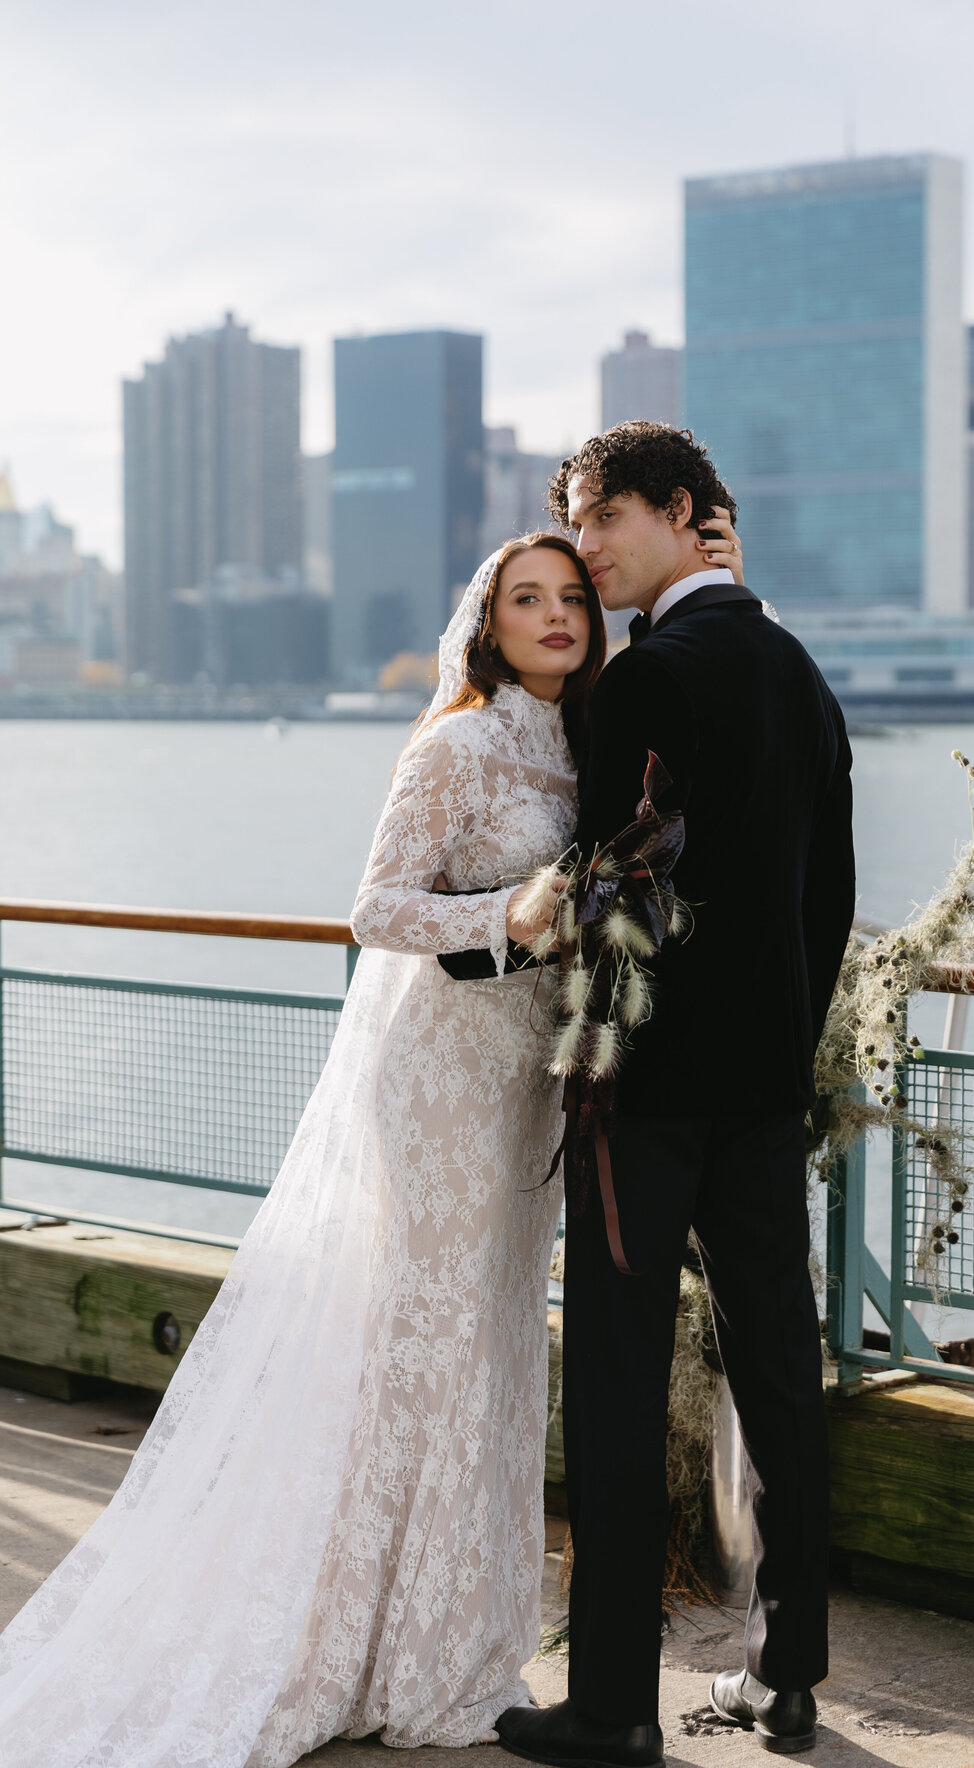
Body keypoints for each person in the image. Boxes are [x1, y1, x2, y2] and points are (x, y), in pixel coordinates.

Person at [0, 533, 653, 1768]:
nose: (559, 616)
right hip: (439, 1081)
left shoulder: (580, 746)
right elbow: (375, 908)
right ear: (489, 625)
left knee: (490, 1344)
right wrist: (505, 916)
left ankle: (448, 1635)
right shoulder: (457, 742)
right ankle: (357, 1642)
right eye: (530, 600)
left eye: (573, 598)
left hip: (524, 1084)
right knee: (420, 1343)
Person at [495, 424, 856, 1768]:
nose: (586, 549)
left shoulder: (651, 680)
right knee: (778, 1377)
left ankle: (609, 1713)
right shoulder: (803, 675)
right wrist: (780, 1047)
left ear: (683, 513)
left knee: (619, 1386)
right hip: (764, 1096)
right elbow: (829, 903)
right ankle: (788, 1679)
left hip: (643, 1104)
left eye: (601, 519)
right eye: (576, 525)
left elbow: (607, 893)